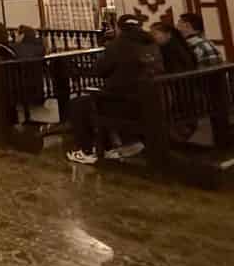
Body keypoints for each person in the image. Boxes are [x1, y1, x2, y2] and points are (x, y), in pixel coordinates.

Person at [66, 14, 164, 165]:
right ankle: (128, 142)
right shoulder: (151, 43)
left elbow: (100, 70)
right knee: (100, 99)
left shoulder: (117, 45)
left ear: (119, 28)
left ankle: (88, 150)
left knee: (78, 104)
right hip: (154, 98)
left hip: (127, 103)